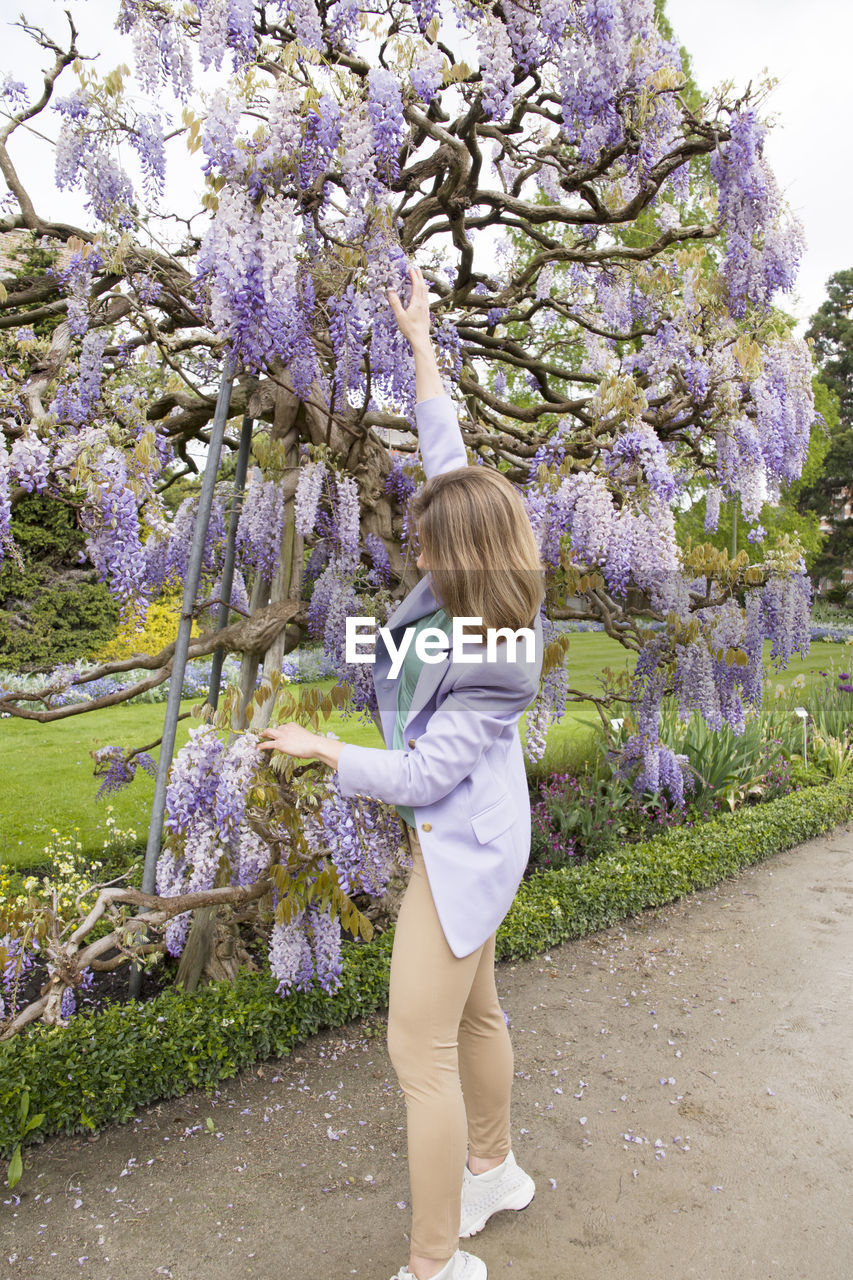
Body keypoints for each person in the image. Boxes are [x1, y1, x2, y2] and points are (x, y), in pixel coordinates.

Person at [259, 264, 546, 1280]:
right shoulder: (470, 556)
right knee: (477, 1012)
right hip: (475, 830)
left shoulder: (501, 661)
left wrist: (325, 748)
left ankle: (436, 1263)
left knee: (414, 1048)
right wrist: (421, 343)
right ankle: (495, 1168)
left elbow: (425, 773)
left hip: (465, 842)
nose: (409, 548)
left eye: (425, 545)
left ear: (462, 557)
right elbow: (448, 451)